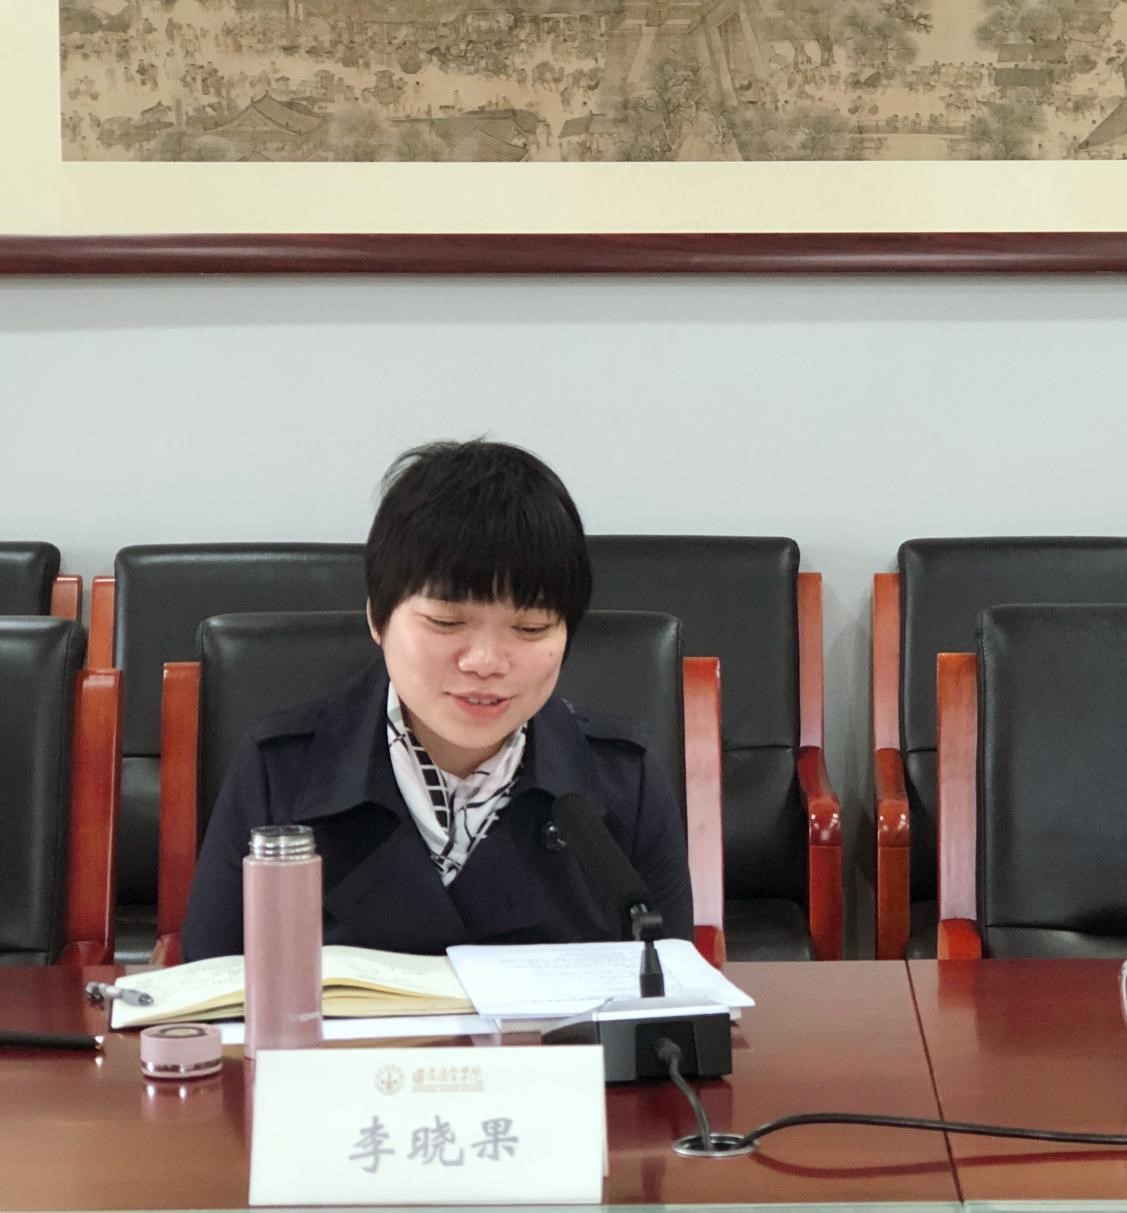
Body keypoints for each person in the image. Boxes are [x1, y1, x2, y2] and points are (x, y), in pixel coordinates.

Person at [181, 440, 693, 960]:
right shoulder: (281, 772)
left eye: (531, 628)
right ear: (378, 619)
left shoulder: (623, 781)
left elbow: (673, 985)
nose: (486, 662)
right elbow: (210, 985)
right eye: (446, 622)